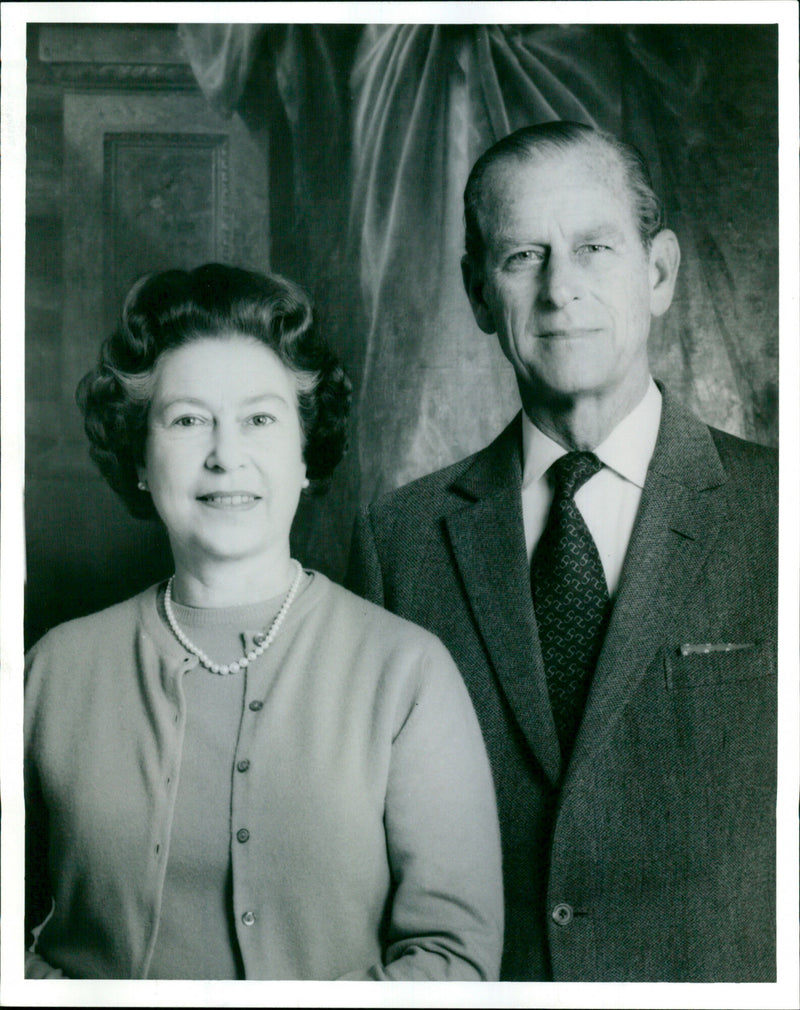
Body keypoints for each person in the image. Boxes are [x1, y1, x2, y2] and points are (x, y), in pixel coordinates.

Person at [347, 121, 778, 982]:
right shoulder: (399, 540)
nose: (559, 289)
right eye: (522, 258)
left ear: (657, 273)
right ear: (478, 295)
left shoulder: (783, 513)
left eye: (593, 248)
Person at [24, 263, 503, 981]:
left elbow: (454, 962)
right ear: (140, 459)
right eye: (187, 420)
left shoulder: (406, 671)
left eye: (259, 419)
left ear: (305, 452)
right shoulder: (53, 670)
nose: (225, 456)